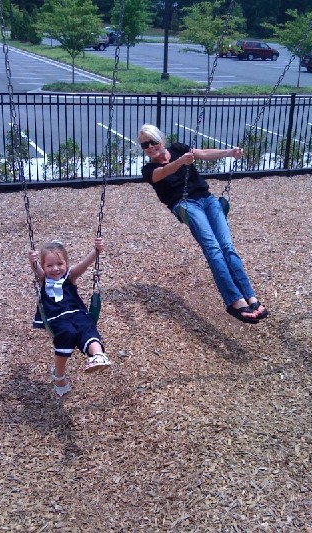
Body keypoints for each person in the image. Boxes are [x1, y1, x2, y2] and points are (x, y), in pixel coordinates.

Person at [138, 124, 268, 324]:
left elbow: (203, 153)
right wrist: (181, 162)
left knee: (228, 248)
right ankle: (235, 301)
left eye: (153, 142)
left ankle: (250, 296)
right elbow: (163, 172)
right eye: (144, 145)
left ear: (161, 140)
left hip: (207, 199)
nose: (150, 147)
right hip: (185, 205)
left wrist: (229, 152)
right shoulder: (148, 170)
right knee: (213, 249)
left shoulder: (178, 148)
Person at [28, 238, 111, 397]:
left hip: (78, 313)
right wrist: (33, 261)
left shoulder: (70, 276)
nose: (55, 269)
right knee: (68, 333)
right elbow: (36, 269)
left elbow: (84, 264)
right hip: (57, 319)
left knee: (87, 328)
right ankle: (59, 376)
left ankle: (98, 356)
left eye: (60, 264)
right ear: (44, 267)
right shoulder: (44, 280)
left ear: (66, 263)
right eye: (49, 265)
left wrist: (96, 251)